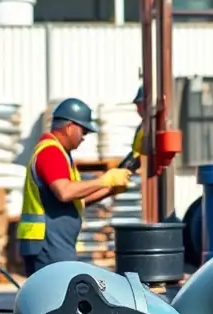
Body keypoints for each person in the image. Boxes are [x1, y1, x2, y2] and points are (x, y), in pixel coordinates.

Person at [18, 97, 131, 276]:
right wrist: (104, 180)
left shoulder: (61, 154)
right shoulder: (51, 152)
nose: (84, 137)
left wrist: (109, 190)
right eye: (83, 131)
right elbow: (65, 192)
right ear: (70, 127)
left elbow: (76, 199)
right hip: (48, 244)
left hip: (53, 243)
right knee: (56, 297)